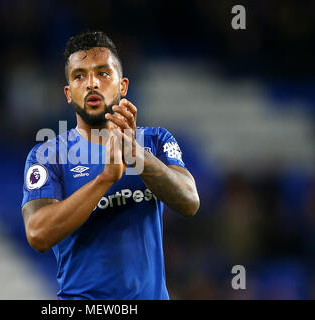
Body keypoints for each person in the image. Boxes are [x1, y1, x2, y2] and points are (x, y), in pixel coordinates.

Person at [21, 30, 200, 300]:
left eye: (103, 73)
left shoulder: (156, 140)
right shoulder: (47, 155)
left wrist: (136, 156)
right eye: (80, 76)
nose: (91, 83)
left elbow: (189, 202)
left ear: (123, 86)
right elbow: (38, 234)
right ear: (69, 93)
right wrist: (105, 179)